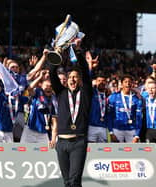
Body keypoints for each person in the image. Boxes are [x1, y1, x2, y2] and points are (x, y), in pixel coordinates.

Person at [49, 39, 92, 187]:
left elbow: (86, 72)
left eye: (75, 77)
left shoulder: (86, 93)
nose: (72, 79)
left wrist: (78, 51)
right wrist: (56, 54)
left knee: (74, 180)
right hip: (61, 143)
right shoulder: (61, 93)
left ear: (79, 79)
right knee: (67, 181)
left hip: (78, 142)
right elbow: (52, 74)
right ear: (66, 80)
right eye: (70, 77)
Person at [20, 70, 58, 144]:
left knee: (46, 154)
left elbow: (54, 121)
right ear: (41, 86)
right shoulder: (37, 92)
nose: (49, 88)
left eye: (50, 86)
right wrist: (40, 77)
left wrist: (53, 139)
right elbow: (28, 90)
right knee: (22, 152)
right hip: (29, 130)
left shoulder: (54, 100)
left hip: (43, 133)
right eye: (46, 86)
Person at [108, 74, 143, 143]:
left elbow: (139, 118)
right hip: (117, 129)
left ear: (132, 84)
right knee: (115, 152)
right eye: (125, 82)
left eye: (129, 82)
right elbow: (109, 116)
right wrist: (111, 132)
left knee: (132, 152)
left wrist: (137, 135)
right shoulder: (113, 97)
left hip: (131, 130)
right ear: (122, 84)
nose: (128, 84)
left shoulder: (136, 99)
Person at [88, 74, 109, 142]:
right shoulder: (92, 93)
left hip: (103, 127)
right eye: (99, 81)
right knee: (90, 148)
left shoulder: (109, 94)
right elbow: (86, 82)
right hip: (92, 126)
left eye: (103, 81)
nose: (101, 82)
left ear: (106, 82)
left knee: (103, 149)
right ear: (95, 82)